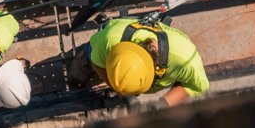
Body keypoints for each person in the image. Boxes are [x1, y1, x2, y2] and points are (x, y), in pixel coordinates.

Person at [79, 17, 209, 108]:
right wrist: (122, 92)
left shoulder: (185, 60)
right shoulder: (108, 40)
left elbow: (196, 86)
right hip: (105, 39)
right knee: (86, 59)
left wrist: (163, 104)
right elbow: (97, 63)